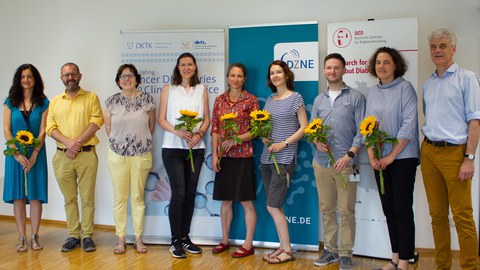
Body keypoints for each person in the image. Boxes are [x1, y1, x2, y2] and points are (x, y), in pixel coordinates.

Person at [421, 28, 480, 270]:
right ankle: (442, 265)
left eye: (443, 46)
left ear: (453, 49)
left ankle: (469, 267)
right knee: (437, 216)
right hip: (429, 153)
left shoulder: (467, 78)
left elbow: (475, 121)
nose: (438, 51)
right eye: (434, 47)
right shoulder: (428, 83)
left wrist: (469, 158)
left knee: (462, 216)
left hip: (455, 154)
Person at [365, 47, 419, 270]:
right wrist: (371, 154)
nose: (382, 66)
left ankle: (406, 260)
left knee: (402, 209)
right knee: (388, 209)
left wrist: (392, 156)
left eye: (387, 62)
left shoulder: (406, 88)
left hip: (403, 157)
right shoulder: (373, 92)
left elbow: (409, 125)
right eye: (378, 62)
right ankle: (395, 257)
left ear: (396, 65)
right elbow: (367, 126)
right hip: (379, 159)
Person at [311, 53, 365, 269]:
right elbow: (312, 129)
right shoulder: (318, 100)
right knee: (326, 209)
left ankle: (346, 253)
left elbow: (362, 130)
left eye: (336, 67)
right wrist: (316, 141)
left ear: (344, 70)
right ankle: (331, 251)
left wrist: (349, 155)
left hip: (347, 163)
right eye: (329, 67)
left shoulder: (356, 97)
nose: (332, 71)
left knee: (346, 210)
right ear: (324, 71)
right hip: (321, 163)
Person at [46, 62, 104, 252]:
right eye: (66, 75)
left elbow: (96, 121)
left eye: (73, 74)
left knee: (87, 198)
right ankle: (73, 235)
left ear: (80, 76)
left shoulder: (91, 97)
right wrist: (68, 143)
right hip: (62, 157)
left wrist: (76, 142)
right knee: (69, 199)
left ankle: (87, 235)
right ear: (61, 78)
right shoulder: (54, 101)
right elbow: (50, 128)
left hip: (86, 155)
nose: (69, 77)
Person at [158, 52, 210, 259]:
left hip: (195, 149)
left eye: (190, 64)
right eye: (183, 65)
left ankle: (185, 238)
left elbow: (206, 119)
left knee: (189, 194)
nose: (186, 68)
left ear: (195, 67)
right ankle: (175, 241)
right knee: (178, 193)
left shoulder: (201, 89)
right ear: (177, 68)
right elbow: (161, 119)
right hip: (172, 148)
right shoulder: (168, 89)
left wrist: (199, 133)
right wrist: (177, 131)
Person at [104, 64, 156, 254]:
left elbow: (151, 127)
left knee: (137, 197)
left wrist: (137, 143)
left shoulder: (148, 100)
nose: (127, 79)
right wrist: (119, 143)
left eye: (130, 75)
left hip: (141, 154)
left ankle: (138, 239)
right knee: (120, 198)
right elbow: (107, 127)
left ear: (136, 79)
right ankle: (120, 238)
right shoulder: (111, 101)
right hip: (117, 155)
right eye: (123, 76)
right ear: (118, 80)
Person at [260, 60, 308, 264]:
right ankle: (282, 246)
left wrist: (284, 144)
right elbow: (264, 126)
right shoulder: (270, 100)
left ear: (286, 75)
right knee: (275, 205)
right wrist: (263, 136)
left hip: (285, 158)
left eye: (279, 72)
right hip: (266, 158)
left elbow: (304, 127)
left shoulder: (296, 98)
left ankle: (287, 250)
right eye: (272, 73)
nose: (275, 75)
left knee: (272, 206)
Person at [210, 63, 259, 258]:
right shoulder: (219, 100)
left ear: (244, 78)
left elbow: (256, 130)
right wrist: (215, 154)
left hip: (242, 157)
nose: (235, 79)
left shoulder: (251, 100)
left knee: (246, 202)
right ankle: (225, 240)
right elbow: (214, 128)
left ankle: (248, 244)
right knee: (225, 202)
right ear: (227, 77)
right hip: (224, 157)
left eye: (239, 76)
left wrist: (236, 139)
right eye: (232, 75)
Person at [3, 64, 49, 252]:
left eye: (29, 76)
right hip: (15, 156)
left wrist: (35, 153)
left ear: (35, 79)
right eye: (22, 76)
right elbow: (6, 129)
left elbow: (43, 130)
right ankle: (22, 237)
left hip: (36, 154)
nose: (26, 79)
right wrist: (16, 153)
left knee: (36, 195)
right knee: (18, 197)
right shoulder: (10, 102)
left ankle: (34, 237)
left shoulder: (44, 102)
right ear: (18, 79)